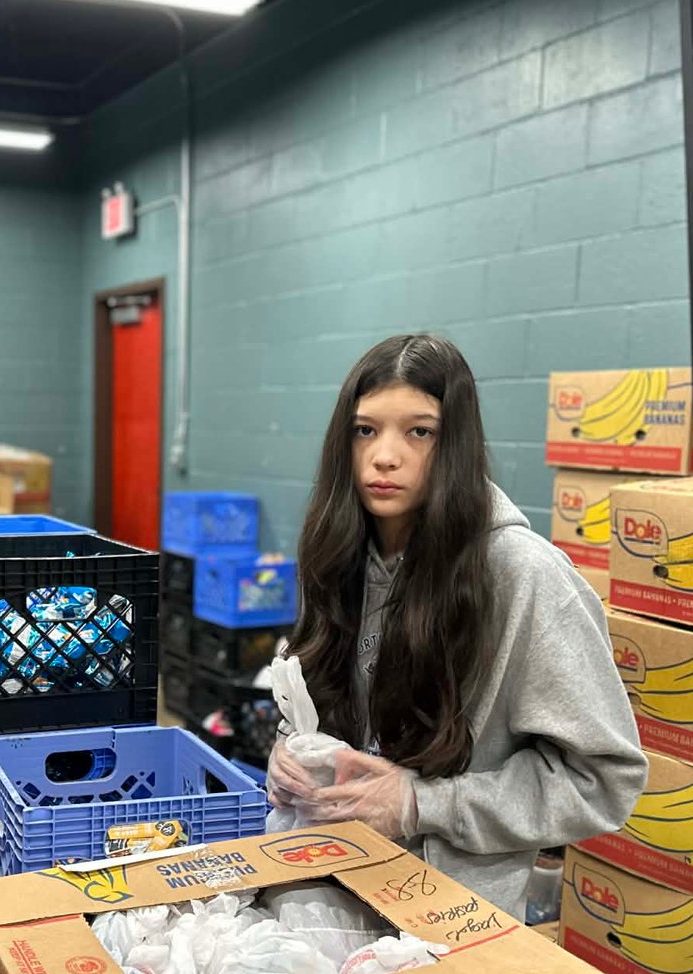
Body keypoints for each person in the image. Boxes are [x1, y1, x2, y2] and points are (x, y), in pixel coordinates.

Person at [269, 333, 646, 917]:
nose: (385, 456)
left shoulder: (524, 576)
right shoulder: (337, 549)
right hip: (324, 877)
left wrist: (419, 804)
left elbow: (604, 782)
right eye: (365, 430)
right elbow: (316, 696)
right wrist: (291, 753)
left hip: (443, 923)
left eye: (419, 432)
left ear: (455, 444)